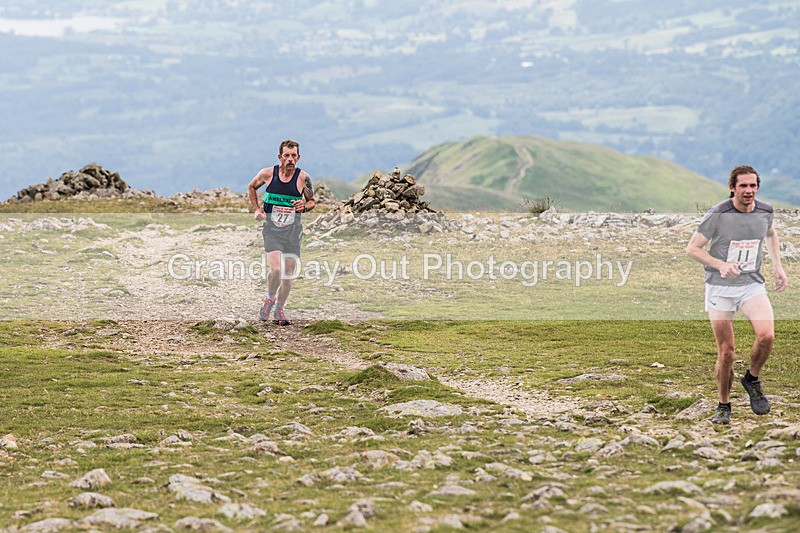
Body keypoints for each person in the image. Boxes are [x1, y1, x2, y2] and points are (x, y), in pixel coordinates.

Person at [686, 165, 788, 424]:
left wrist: (778, 266)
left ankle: (752, 378)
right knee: (727, 352)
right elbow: (693, 249)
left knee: (767, 336)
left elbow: (771, 234)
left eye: (753, 186)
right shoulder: (718, 214)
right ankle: (723, 405)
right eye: (743, 186)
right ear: (732, 187)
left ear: (758, 187)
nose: (748, 191)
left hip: (751, 284)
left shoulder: (765, 211)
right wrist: (721, 265)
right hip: (720, 287)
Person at [247, 139, 316, 326]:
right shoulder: (268, 174)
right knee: (276, 269)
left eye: (294, 156)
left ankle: (279, 308)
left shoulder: (304, 178)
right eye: (287, 155)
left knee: (288, 274)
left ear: (298, 157)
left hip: (293, 231)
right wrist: (257, 210)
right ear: (280, 157)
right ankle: (270, 298)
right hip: (272, 230)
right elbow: (252, 187)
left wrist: (304, 206)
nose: (290, 159)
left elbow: (312, 201)